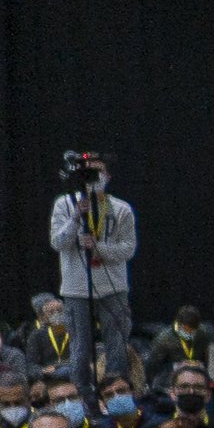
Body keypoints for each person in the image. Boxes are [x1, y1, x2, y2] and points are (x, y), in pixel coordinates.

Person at [50, 156, 138, 399]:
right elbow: (57, 242)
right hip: (77, 288)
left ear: (107, 177)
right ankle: (81, 393)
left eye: (98, 174)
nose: (94, 180)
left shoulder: (121, 209)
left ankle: (116, 390)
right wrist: (76, 217)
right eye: (88, 175)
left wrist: (100, 248)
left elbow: (128, 248)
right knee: (80, 345)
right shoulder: (64, 205)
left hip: (114, 286)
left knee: (117, 341)